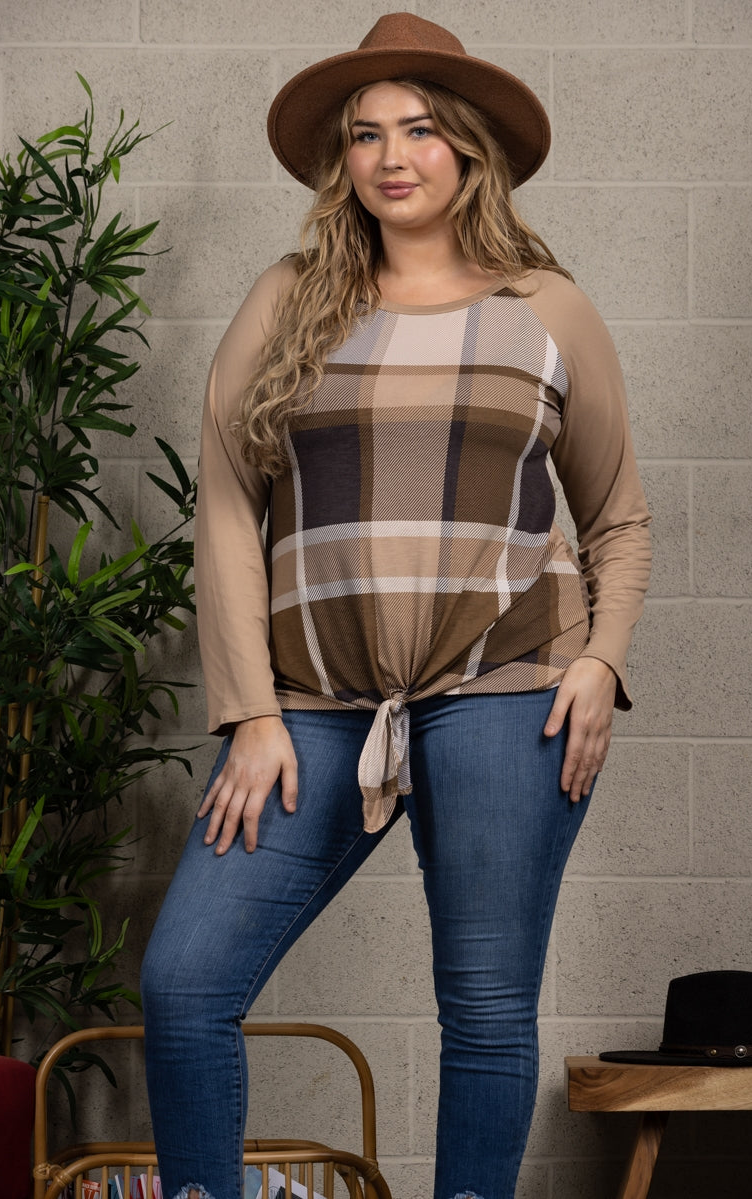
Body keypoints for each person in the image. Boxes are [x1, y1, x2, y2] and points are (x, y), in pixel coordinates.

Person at [140, 13, 652, 1199]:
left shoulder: (547, 307)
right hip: (313, 700)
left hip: (507, 692)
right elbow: (226, 506)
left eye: (419, 128)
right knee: (184, 981)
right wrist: (250, 711)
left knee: (483, 1006)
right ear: (343, 161)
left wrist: (599, 660)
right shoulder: (288, 298)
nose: (390, 155)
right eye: (365, 134)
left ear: (467, 146)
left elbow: (616, 517)